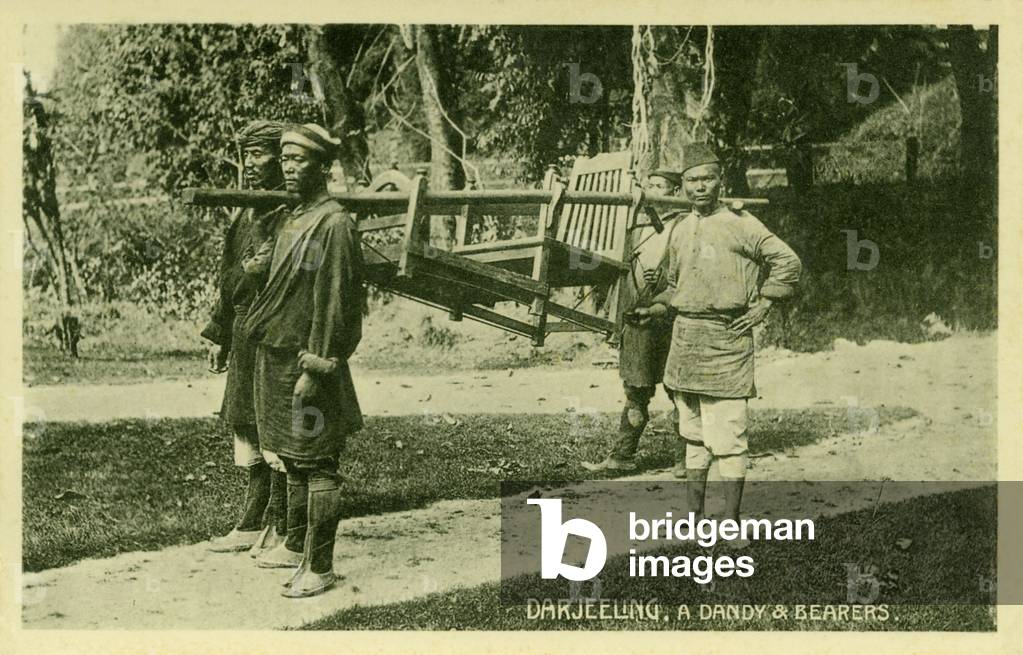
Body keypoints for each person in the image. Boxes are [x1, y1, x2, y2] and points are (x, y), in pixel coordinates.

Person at [633, 143, 801, 542]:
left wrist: (764, 304)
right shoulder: (677, 227)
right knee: (693, 436)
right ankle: (693, 521)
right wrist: (653, 310)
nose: (699, 187)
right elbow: (674, 287)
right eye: (691, 180)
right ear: (683, 185)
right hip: (685, 343)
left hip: (727, 341)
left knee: (728, 439)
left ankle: (732, 524)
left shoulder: (742, 224)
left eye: (707, 178)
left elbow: (787, 262)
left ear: (720, 180)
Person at [243, 123, 365, 598]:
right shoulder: (292, 218)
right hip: (277, 359)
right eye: (286, 160)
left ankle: (320, 566)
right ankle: (296, 547)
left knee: (318, 463)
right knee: (292, 460)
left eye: (301, 161)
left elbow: (335, 304)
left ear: (323, 167)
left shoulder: (333, 224)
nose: (290, 168)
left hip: (308, 364)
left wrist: (316, 367)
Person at [203, 119, 289, 555]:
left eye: (261, 154)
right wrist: (219, 334)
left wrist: (254, 273)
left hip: (272, 330)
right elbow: (229, 278)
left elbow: (268, 277)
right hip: (242, 332)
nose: (252, 163)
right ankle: (252, 520)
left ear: (281, 158)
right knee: (245, 421)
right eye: (248, 155)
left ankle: (280, 521)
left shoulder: (288, 215)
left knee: (272, 423)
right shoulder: (246, 212)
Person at [582, 169, 686, 474]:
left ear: (674, 192)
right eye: (650, 185)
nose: (654, 191)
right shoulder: (636, 222)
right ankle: (622, 455)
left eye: (661, 187)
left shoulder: (683, 223)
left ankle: (685, 459)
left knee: (679, 390)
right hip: (638, 318)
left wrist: (665, 278)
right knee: (636, 390)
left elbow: (687, 269)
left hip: (670, 318)